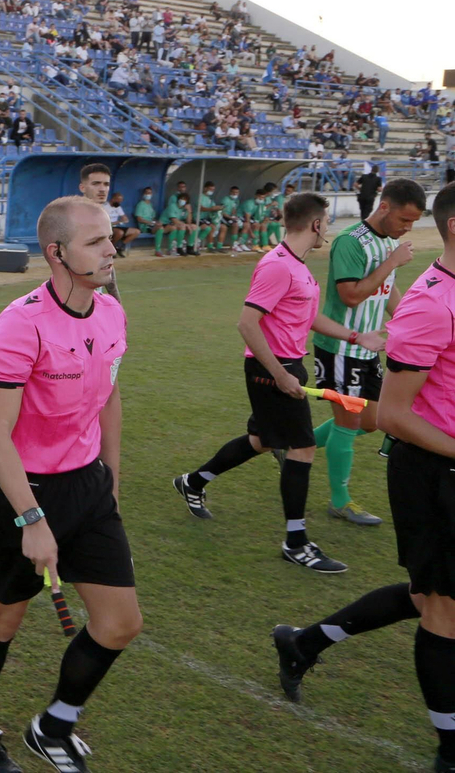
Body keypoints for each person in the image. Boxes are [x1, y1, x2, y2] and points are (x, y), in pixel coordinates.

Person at [272, 182, 455, 773]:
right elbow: (398, 415)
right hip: (433, 472)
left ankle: (306, 642)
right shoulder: (431, 298)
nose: (404, 228)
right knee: (442, 609)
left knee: (430, 595)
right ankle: (450, 747)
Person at [0, 195, 138, 773]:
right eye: (96, 242)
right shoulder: (19, 325)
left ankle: (53, 725)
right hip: (24, 491)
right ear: (57, 253)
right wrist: (32, 520)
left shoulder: (111, 311)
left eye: (110, 237)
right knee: (4, 617)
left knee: (120, 623)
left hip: (87, 485)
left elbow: (108, 394)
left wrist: (110, 473)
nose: (112, 249)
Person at [173, 192, 387, 573]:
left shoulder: (298, 266)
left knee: (263, 440)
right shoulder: (278, 266)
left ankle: (193, 481)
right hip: (271, 369)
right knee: (302, 448)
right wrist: (279, 374)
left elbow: (306, 319)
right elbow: (246, 323)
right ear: (316, 224)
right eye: (326, 222)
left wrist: (357, 337)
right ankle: (296, 541)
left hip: (285, 366)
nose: (328, 230)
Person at [309, 178, 426, 525]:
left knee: (372, 422)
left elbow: (385, 290)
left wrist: (411, 325)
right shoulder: (350, 242)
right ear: (384, 207)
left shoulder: (383, 242)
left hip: (367, 347)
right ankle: (341, 501)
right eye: (404, 220)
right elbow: (352, 295)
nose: (407, 228)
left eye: (414, 223)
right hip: (342, 347)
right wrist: (391, 264)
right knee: (348, 422)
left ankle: (294, 443)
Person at [77, 164, 122, 298]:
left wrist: (116, 300)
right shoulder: (74, 218)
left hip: (96, 294)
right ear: (82, 188)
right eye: (96, 184)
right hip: (76, 295)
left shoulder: (103, 217)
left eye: (106, 184)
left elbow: (106, 259)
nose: (102, 189)